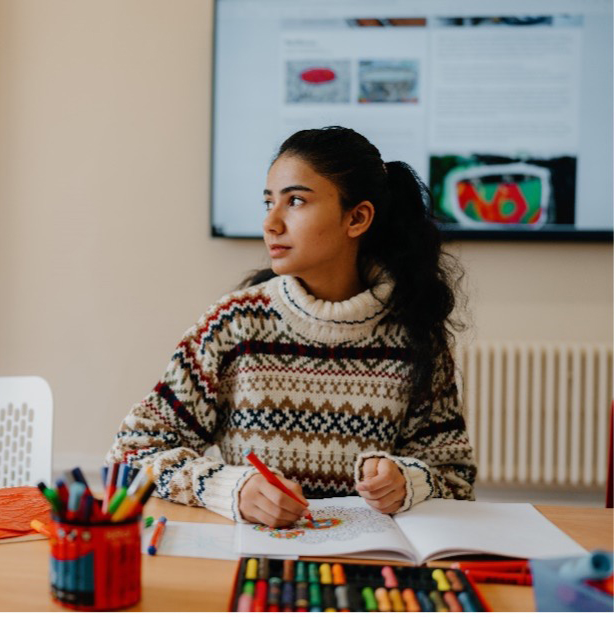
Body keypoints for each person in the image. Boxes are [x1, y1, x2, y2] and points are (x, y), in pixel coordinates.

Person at [105, 126, 476, 528]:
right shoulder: (233, 326)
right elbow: (130, 453)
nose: (271, 223)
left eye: (295, 201)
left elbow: (455, 478)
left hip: (370, 570)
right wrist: (231, 488)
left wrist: (408, 482)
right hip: (256, 565)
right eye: (268, 202)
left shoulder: (412, 334)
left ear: (357, 218)